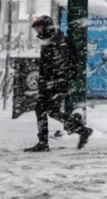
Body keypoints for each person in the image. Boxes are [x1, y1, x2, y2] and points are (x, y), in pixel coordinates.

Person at [24, 15, 91, 152]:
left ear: (46, 27)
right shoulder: (52, 40)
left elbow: (59, 65)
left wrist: (51, 81)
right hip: (52, 83)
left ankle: (45, 142)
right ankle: (80, 130)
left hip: (54, 83)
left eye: (39, 27)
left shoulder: (56, 41)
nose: (37, 30)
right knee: (49, 110)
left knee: (45, 110)